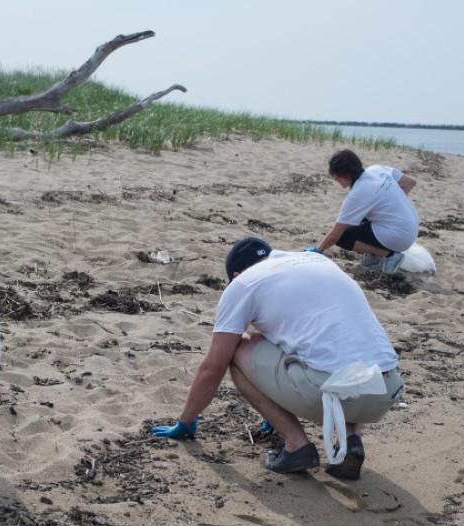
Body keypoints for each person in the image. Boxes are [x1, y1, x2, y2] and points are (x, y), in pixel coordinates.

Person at [153, 238, 405, 478]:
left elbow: (212, 369)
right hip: (385, 390)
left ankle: (297, 446)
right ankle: (350, 441)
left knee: (238, 350)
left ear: (236, 276)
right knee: (339, 351)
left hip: (329, 393)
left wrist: (186, 421)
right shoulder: (317, 261)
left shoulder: (244, 284)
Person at [311, 149, 420, 275]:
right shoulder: (377, 169)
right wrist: (393, 204)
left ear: (344, 174)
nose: (335, 179)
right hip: (412, 225)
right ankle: (373, 256)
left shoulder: (357, 194)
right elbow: (410, 183)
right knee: (361, 219)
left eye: (336, 176)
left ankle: (391, 255)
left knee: (343, 236)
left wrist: (317, 250)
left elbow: (335, 235)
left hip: (399, 236)